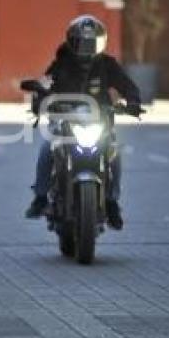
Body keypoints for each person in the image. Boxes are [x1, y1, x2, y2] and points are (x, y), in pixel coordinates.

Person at [24, 15, 142, 230]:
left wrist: (133, 102)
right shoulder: (62, 63)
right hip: (65, 121)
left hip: (100, 122)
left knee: (114, 154)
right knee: (46, 149)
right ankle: (40, 197)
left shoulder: (107, 64)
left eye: (93, 42)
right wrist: (40, 99)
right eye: (83, 42)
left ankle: (112, 201)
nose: (88, 48)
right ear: (72, 41)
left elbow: (127, 85)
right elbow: (47, 84)